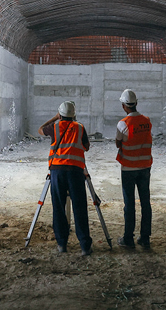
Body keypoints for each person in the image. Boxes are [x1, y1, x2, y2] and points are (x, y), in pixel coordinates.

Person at [39, 100, 93, 256]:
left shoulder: (54, 127)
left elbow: (40, 129)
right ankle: (85, 246)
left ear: (60, 114)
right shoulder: (80, 127)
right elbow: (86, 147)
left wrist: (55, 118)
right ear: (74, 115)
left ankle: (62, 244)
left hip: (57, 172)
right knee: (80, 208)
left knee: (58, 207)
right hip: (75, 172)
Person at [115, 88, 152, 250]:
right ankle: (145, 238)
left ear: (124, 106)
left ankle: (128, 238)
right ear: (136, 103)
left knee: (129, 204)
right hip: (145, 167)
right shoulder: (147, 121)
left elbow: (118, 143)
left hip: (128, 168)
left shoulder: (123, 124)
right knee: (145, 203)